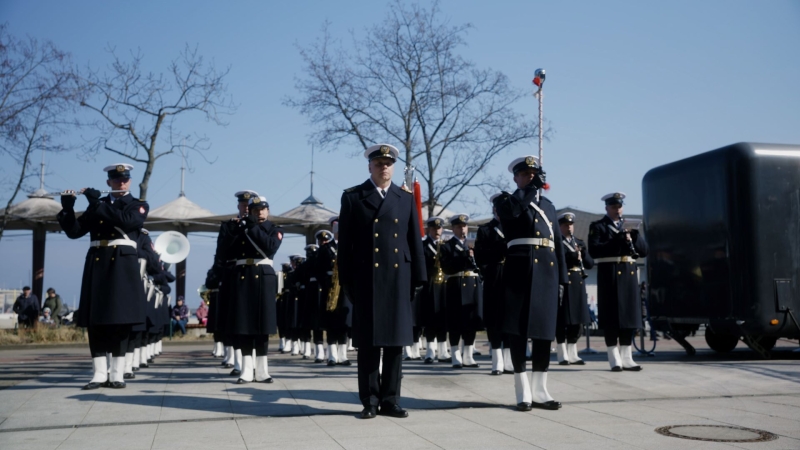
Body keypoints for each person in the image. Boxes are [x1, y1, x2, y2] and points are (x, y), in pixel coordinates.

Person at [338, 143, 426, 419]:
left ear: (393, 167)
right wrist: (346, 280)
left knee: (395, 345)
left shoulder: (404, 197)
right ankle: (370, 401)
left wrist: (419, 276)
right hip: (367, 278)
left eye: (388, 163)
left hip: (398, 278)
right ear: (370, 167)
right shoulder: (353, 197)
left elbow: (414, 240)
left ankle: (391, 400)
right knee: (368, 344)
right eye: (379, 163)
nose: (384, 167)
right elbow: (346, 246)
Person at [58, 163, 148, 390]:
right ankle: (98, 374)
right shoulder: (98, 206)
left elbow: (127, 222)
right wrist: (68, 209)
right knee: (96, 321)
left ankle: (117, 373)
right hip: (98, 263)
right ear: (108, 182)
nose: (121, 182)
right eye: (116, 179)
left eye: (125, 179)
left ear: (129, 181)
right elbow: (75, 232)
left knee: (120, 321)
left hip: (122, 267)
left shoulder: (138, 205)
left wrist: (96, 203)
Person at [492, 155, 567, 411]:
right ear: (515, 178)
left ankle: (541, 390)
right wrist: (530, 191)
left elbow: (556, 243)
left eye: (534, 174)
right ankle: (523, 391)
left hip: (547, 274)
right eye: (524, 174)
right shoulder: (506, 201)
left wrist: (563, 279)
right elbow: (513, 212)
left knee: (544, 333)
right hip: (519, 272)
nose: (530, 177)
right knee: (518, 332)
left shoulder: (549, 206)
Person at [223, 195, 283, 384]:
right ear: (250, 211)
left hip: (263, 277)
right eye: (255, 211)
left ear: (268, 210)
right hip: (242, 276)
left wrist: (250, 227)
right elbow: (225, 252)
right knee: (244, 325)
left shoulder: (274, 229)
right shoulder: (239, 227)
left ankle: (263, 370)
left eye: (263, 210)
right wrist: (235, 229)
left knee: (262, 325)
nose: (260, 213)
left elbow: (269, 247)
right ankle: (246, 370)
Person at [588, 192, 649, 372]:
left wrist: (634, 237)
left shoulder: (630, 227)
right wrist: (617, 239)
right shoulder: (598, 226)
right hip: (610, 274)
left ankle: (627, 357)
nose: (617, 210)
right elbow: (595, 251)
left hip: (629, 275)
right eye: (613, 207)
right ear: (606, 208)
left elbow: (644, 251)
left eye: (619, 206)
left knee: (629, 316)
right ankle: (614, 357)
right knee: (612, 316)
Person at [212, 190, 258, 375]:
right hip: (233, 274)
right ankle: (239, 363)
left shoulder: (259, 225)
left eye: (249, 205)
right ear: (238, 206)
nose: (246, 208)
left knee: (254, 319)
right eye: (243, 205)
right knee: (235, 320)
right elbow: (221, 251)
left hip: (254, 275)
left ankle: (254, 361)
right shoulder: (228, 225)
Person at [474, 197, 514, 375]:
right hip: (494, 276)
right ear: (494, 209)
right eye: (499, 208)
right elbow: (480, 256)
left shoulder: (514, 227)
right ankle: (497, 361)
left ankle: (508, 360)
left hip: (511, 276)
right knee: (494, 319)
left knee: (509, 318)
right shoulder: (486, 230)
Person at [440, 214, 484, 369]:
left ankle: (468, 355)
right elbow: (447, 267)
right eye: (459, 227)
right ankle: (455, 355)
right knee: (455, 322)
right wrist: (463, 256)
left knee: (471, 321)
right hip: (456, 284)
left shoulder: (473, 246)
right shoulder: (447, 246)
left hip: (472, 284)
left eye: (464, 226)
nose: (462, 229)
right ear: (453, 229)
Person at [556, 212, 595, 365]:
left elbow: (590, 264)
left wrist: (583, 254)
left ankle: (573, 353)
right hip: (563, 282)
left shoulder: (578, 242)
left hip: (578, 282)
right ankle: (562, 353)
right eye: (565, 225)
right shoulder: (556, 243)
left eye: (571, 225)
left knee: (577, 320)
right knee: (562, 318)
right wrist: (570, 257)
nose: (569, 227)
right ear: (559, 227)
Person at [419, 217, 449, 364]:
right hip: (430, 283)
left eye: (439, 228)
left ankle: (443, 351)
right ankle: (430, 351)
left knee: (443, 317)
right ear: (429, 229)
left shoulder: (446, 245)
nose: (437, 231)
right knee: (430, 317)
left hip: (443, 284)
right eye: (434, 228)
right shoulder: (423, 245)